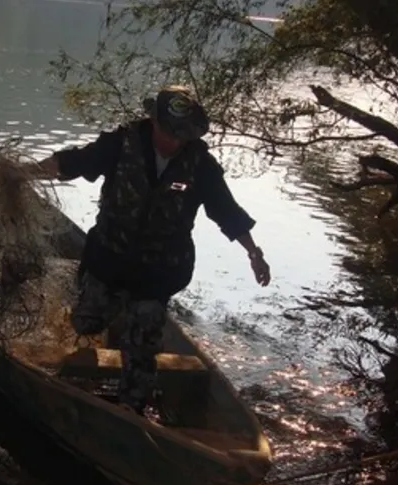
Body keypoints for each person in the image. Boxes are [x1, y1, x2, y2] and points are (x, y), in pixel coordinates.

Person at [30, 85, 272, 416]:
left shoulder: (199, 164)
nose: (174, 141)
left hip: (158, 271)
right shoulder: (121, 143)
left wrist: (253, 252)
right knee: (87, 321)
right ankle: (80, 374)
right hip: (108, 259)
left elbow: (226, 211)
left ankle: (132, 408)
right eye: (169, 132)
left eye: (181, 135)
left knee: (143, 342)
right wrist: (25, 173)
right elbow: (72, 161)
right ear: (153, 121)